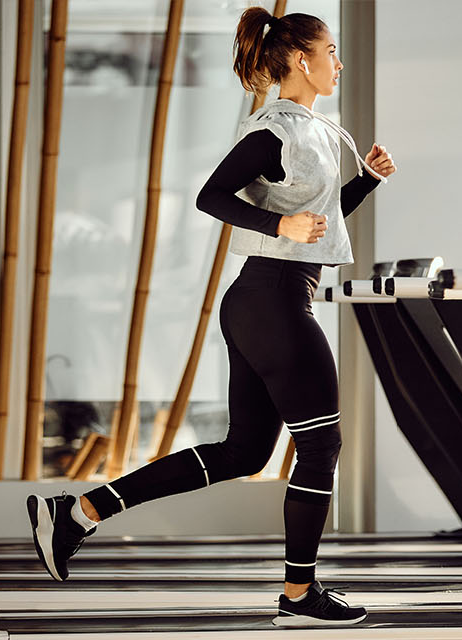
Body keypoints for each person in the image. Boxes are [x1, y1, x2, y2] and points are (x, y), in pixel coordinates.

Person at [25, 6, 397, 628]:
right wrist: (280, 223)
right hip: (271, 300)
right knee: (322, 443)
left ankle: (81, 512)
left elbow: (319, 226)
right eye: (332, 50)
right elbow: (211, 195)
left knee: (246, 451)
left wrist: (366, 183)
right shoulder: (274, 129)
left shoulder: (322, 133)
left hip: (267, 299)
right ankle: (299, 597)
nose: (340, 62)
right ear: (302, 60)